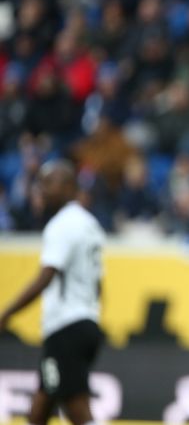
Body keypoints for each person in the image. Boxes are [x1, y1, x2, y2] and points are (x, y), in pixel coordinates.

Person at [0, 160, 105, 425]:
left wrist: (6, 313)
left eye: (49, 182)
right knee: (42, 403)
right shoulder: (90, 224)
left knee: (77, 407)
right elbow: (99, 285)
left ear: (70, 186)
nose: (42, 190)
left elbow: (46, 277)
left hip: (66, 327)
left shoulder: (63, 224)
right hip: (85, 322)